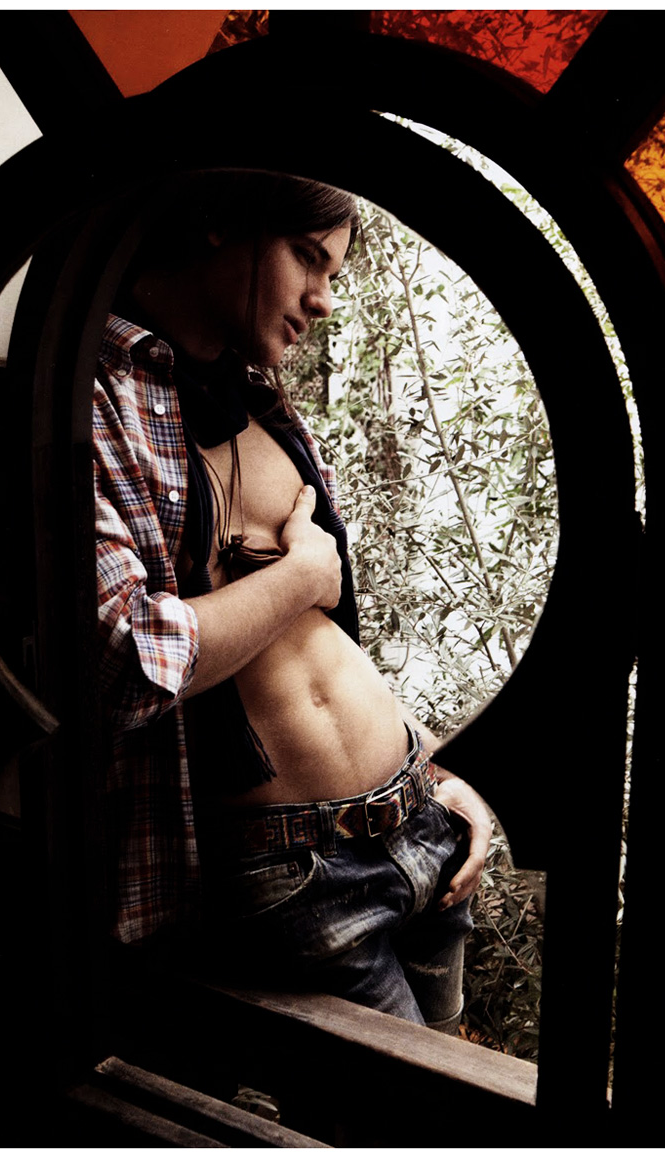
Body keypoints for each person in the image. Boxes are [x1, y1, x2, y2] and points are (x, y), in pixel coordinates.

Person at [94, 171, 493, 1033]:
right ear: (221, 222)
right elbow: (125, 662)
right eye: (308, 258)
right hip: (296, 875)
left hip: (420, 825)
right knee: (416, 1104)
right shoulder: (95, 389)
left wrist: (438, 774)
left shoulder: (260, 401)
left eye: (334, 274)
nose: (322, 300)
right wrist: (305, 575)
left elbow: (318, 646)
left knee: (462, 1072)